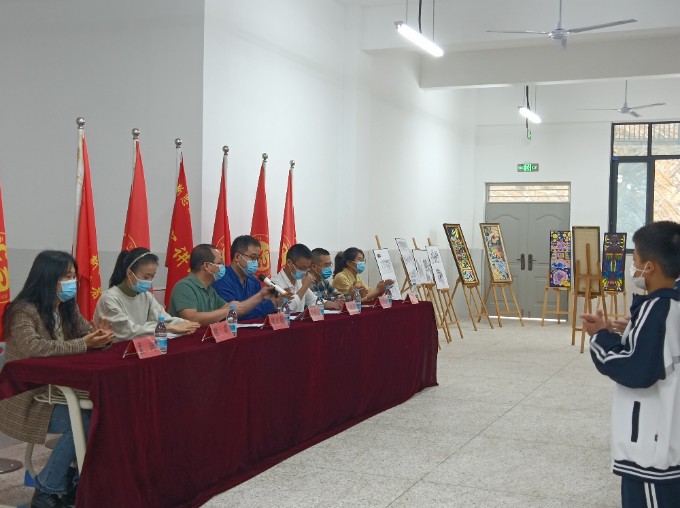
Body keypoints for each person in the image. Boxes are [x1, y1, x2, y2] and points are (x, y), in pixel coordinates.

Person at [0, 251, 113, 508]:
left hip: (58, 392)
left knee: (103, 412)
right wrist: (85, 343)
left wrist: (103, 337)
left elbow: (88, 336)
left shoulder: (66, 308)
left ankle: (75, 482)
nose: (72, 282)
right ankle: (46, 489)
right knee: (85, 420)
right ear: (48, 278)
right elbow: (35, 348)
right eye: (66, 277)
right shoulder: (22, 311)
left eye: (74, 276)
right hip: (26, 397)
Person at [581, 221, 680, 507]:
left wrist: (600, 336)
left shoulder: (656, 308)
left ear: (649, 267)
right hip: (669, 438)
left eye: (635, 259)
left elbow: (636, 369)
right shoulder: (672, 305)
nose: (633, 266)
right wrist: (631, 331)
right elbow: (657, 352)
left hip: (652, 450)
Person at [94, 248, 199, 342]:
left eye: (152, 277)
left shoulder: (146, 296)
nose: (149, 281)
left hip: (143, 349)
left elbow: (164, 318)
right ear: (130, 274)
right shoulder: (109, 299)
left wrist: (186, 324)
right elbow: (129, 331)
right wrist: (167, 328)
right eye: (146, 277)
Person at [212, 236, 286, 320]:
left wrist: (276, 301)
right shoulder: (221, 279)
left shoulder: (253, 281)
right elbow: (232, 314)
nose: (256, 262)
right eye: (253, 257)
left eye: (257, 258)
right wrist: (270, 304)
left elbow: (260, 309)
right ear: (237, 257)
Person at [168, 244, 236, 325]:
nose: (223, 267)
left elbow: (227, 307)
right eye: (220, 263)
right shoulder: (184, 286)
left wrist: (233, 307)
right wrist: (227, 310)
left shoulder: (210, 289)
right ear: (207, 266)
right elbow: (192, 318)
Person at [272, 244, 343, 312]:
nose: (305, 271)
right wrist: (305, 286)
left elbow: (314, 300)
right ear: (289, 263)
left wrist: (334, 305)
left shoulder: (299, 280)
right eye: (302, 268)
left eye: (307, 268)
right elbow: (286, 309)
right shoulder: (275, 282)